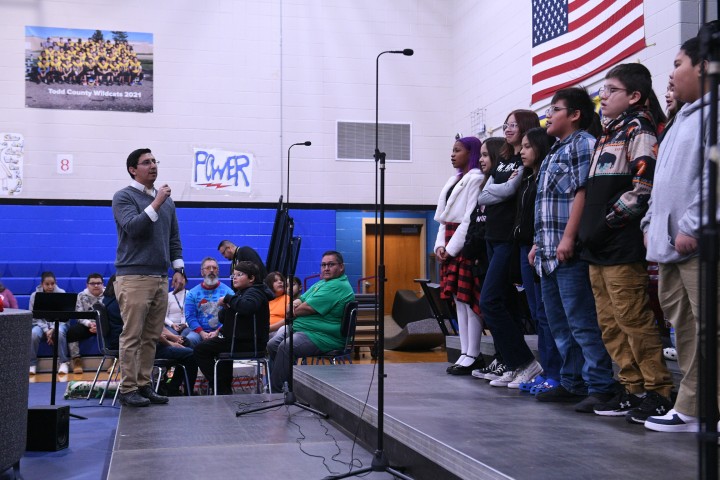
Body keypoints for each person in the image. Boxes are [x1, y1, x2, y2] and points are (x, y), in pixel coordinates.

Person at [578, 63, 673, 422]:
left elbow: (641, 190)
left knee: (633, 319)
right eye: (602, 89)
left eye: (611, 90)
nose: (602, 95)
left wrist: (604, 225)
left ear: (633, 96)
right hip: (597, 248)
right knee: (610, 323)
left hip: (619, 245)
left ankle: (658, 390)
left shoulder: (639, 129)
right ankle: (631, 388)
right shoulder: (606, 133)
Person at [642, 31, 720, 433]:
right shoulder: (679, 120)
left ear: (704, 66)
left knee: (711, 328)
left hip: (696, 244)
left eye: (677, 65)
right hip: (669, 246)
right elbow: (664, 184)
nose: (670, 77)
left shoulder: (714, 113)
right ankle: (693, 408)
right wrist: (648, 223)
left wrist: (691, 225)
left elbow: (714, 176)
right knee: (685, 329)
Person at [530, 87, 617, 413]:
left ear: (575, 114)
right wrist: (540, 243)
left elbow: (582, 194)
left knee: (581, 322)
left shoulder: (583, 145)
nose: (548, 116)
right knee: (559, 324)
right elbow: (548, 203)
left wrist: (568, 238)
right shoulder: (554, 150)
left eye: (555, 109)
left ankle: (600, 385)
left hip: (568, 251)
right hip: (548, 253)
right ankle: (572, 381)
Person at [112, 147, 185, 407]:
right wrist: (156, 202)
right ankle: (128, 388)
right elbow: (133, 228)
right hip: (133, 277)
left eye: (155, 161)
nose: (153, 165)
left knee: (151, 336)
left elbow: (173, 237)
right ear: (133, 169)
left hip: (160, 277)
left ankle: (144, 386)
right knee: (132, 335)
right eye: (146, 162)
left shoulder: (167, 202)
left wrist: (178, 269)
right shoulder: (123, 197)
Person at [477, 110, 543, 388]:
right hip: (491, 236)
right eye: (505, 124)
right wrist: (497, 191)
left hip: (508, 238)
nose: (507, 128)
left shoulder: (523, 161)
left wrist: (496, 192)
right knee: (503, 302)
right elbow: (483, 193)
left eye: (513, 124)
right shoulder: (504, 159)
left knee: (489, 302)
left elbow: (505, 192)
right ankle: (512, 363)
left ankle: (526, 362)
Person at [513, 127, 562, 394]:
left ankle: (555, 372)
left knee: (547, 315)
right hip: (526, 249)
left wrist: (535, 243)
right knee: (537, 313)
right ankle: (548, 370)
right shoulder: (528, 179)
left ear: (540, 147)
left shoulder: (543, 176)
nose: (522, 151)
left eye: (528, 146)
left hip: (540, 248)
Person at [267, 251, 355, 392]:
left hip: (323, 336)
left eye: (331, 264)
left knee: (285, 347)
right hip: (305, 330)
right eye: (323, 265)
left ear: (341, 267)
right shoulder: (322, 283)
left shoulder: (337, 286)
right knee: (272, 344)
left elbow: (307, 308)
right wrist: (293, 304)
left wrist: (292, 310)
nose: (326, 268)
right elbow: (301, 299)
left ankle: (275, 392)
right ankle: (289, 385)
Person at [434, 136, 485, 375]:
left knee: (468, 298)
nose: (452, 155)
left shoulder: (476, 178)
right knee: (457, 299)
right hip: (451, 239)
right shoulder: (454, 179)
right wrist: (439, 246)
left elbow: (468, 217)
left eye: (457, 150)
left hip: (464, 241)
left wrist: (452, 247)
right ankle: (465, 351)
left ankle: (473, 352)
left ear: (470, 152)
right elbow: (444, 217)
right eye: (452, 150)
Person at [103, 276, 197, 397]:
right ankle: (174, 388)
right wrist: (171, 343)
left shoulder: (109, 301)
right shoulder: (126, 305)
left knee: (185, 342)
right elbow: (147, 332)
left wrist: (173, 339)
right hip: (137, 348)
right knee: (190, 354)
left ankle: (165, 384)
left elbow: (151, 326)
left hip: (123, 343)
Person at [194, 261, 274, 395]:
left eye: (239, 274)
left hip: (248, 343)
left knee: (200, 350)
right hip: (237, 340)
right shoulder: (243, 292)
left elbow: (247, 307)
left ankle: (220, 388)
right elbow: (223, 318)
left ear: (251, 278)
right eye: (234, 275)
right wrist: (227, 306)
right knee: (217, 349)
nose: (234, 277)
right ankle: (223, 389)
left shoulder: (255, 292)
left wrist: (228, 298)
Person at [183, 257, 234, 347]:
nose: (211, 270)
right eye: (208, 268)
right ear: (202, 272)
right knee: (190, 340)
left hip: (222, 331)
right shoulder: (192, 293)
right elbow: (190, 316)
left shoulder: (228, 292)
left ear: (218, 271)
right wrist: (202, 333)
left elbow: (231, 316)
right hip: (198, 332)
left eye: (214, 268)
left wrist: (217, 331)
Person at [29, 271, 69, 375]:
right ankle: (32, 364)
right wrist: (47, 331)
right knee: (33, 334)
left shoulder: (62, 294)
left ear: (56, 283)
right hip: (40, 325)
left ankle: (63, 362)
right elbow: (35, 317)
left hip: (59, 324)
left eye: (52, 284)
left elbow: (64, 317)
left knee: (60, 332)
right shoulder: (35, 296)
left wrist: (52, 329)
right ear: (42, 284)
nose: (50, 286)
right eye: (47, 284)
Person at [67, 273, 105, 374]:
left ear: (103, 284)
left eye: (98, 283)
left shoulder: (109, 295)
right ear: (87, 285)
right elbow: (79, 315)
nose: (96, 285)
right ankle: (76, 360)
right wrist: (90, 324)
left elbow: (111, 314)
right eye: (92, 283)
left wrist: (100, 326)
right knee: (72, 331)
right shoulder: (81, 295)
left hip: (104, 324)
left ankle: (117, 360)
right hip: (87, 325)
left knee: (118, 330)